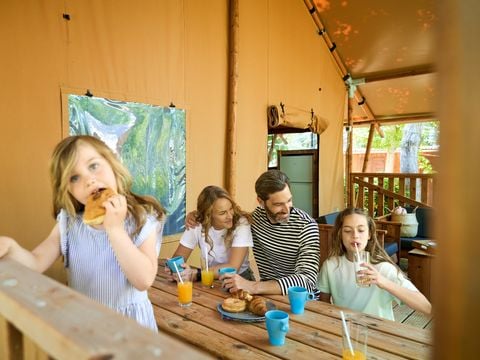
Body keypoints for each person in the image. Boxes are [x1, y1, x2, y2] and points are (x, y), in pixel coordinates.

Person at [0, 135, 165, 331]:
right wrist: (11, 248)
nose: (88, 180)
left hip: (133, 328)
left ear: (112, 164)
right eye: (74, 177)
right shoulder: (68, 223)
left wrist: (114, 229)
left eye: (93, 166)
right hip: (85, 326)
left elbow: (143, 280)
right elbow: (35, 262)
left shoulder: (142, 218)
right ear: (68, 189)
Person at [186, 170, 320, 296]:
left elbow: (307, 281)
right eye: (278, 204)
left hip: (301, 299)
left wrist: (252, 286)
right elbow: (226, 216)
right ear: (261, 202)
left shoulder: (306, 226)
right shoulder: (254, 220)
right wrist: (197, 215)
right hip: (267, 295)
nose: (286, 209)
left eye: (289, 200)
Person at [317, 207, 432, 320]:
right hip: (346, 331)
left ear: (369, 235)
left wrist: (382, 281)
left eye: (361, 230)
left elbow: (426, 307)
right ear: (340, 234)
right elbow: (324, 303)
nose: (355, 235)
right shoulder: (330, 266)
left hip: (379, 333)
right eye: (347, 231)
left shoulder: (383, 268)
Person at [166, 185, 254, 281]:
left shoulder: (241, 223)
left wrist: (198, 274)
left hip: (240, 278)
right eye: (222, 213)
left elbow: (233, 267)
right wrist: (176, 270)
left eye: (231, 209)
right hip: (209, 278)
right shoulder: (196, 223)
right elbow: (179, 256)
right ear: (208, 215)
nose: (230, 216)